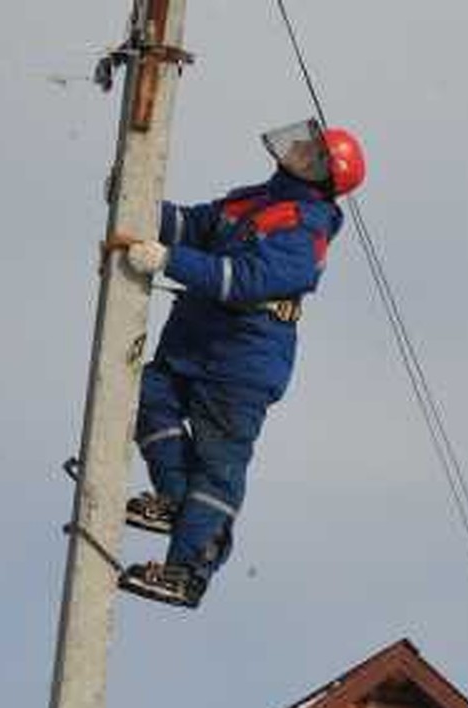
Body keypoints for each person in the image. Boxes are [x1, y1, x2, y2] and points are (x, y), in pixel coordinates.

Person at [116, 118, 366, 609]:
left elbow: (247, 279)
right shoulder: (258, 198)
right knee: (145, 397)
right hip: (195, 345)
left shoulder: (306, 229)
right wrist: (137, 206)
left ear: (323, 174)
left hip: (242, 363)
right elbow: (197, 224)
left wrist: (168, 260)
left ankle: (187, 570)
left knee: (218, 468)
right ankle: (173, 501)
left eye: (310, 152)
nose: (295, 150)